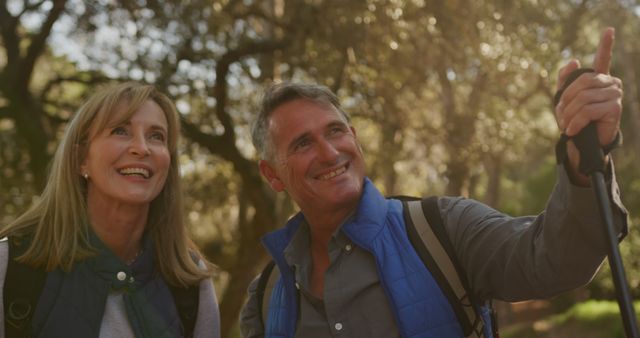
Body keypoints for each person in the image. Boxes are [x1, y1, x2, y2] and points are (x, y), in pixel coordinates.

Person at [239, 27, 628, 338]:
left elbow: (553, 261)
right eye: (303, 142)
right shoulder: (265, 295)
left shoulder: (442, 229)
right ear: (272, 175)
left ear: (355, 138)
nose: (328, 152)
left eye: (336, 131)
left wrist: (582, 158)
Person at [0, 82, 221, 337]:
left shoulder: (191, 283)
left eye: (156, 136)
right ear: (80, 160)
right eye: (120, 131)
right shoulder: (11, 267)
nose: (142, 147)